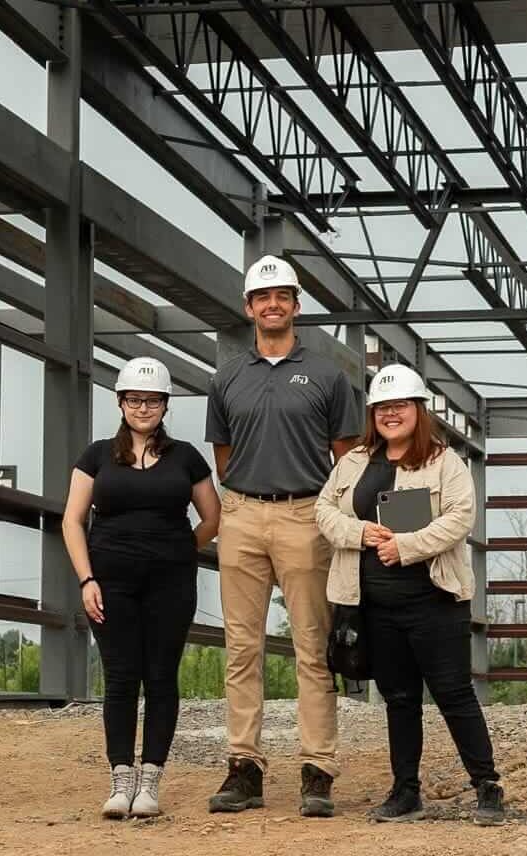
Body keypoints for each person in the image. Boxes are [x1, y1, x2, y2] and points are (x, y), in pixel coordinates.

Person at [205, 254, 363, 817]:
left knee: (312, 648)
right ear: (249, 308)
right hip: (242, 514)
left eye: (283, 297)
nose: (273, 305)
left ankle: (317, 770)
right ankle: (244, 767)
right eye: (262, 297)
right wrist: (246, 501)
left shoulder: (327, 377)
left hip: (305, 516)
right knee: (241, 649)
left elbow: (347, 463)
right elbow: (224, 460)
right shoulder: (226, 378)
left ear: (296, 305)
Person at [314, 363, 505, 826]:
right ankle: (405, 792)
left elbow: (461, 517)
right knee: (398, 698)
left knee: (454, 693)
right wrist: (359, 533)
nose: (390, 414)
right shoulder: (355, 461)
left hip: (435, 601)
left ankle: (487, 785)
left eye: (400, 405)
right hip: (374, 604)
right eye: (382, 407)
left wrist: (407, 546)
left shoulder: (445, 462)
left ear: (418, 410)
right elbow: (323, 509)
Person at [62, 356, 221, 820]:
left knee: (160, 676)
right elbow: (73, 520)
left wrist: (178, 547)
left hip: (170, 583)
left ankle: (150, 778)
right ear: (120, 402)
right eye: (134, 399)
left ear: (165, 405)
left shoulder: (186, 457)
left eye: (152, 400)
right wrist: (86, 578)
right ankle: (121, 777)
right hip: (110, 581)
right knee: (120, 677)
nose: (143, 408)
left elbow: (212, 517)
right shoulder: (95, 456)